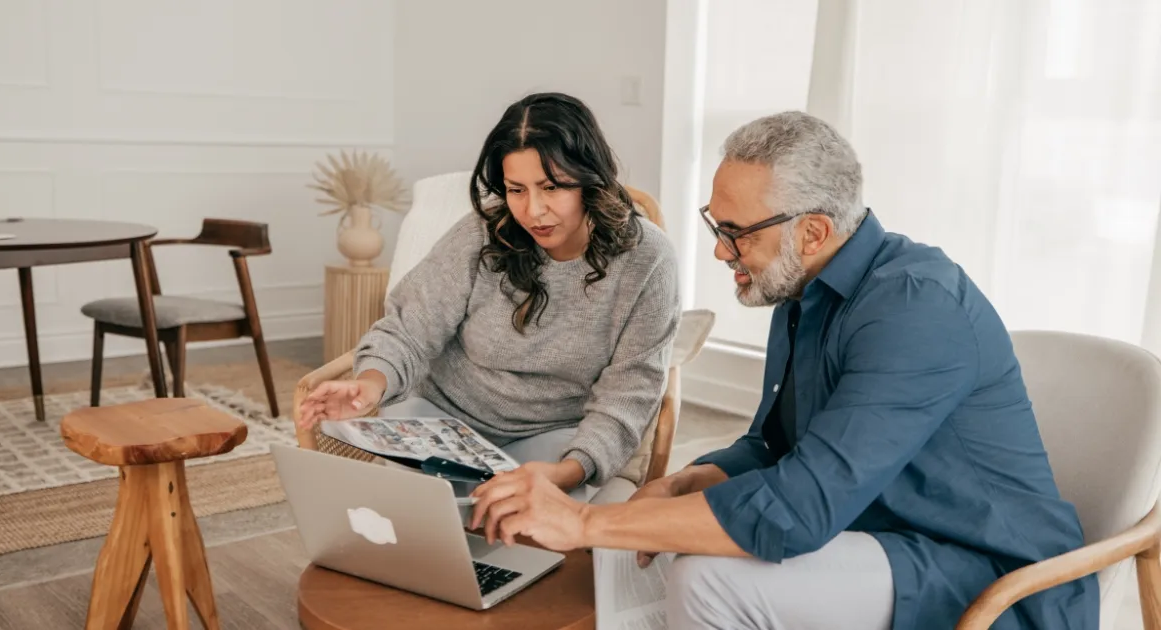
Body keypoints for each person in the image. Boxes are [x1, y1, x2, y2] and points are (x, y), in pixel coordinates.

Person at [467, 111, 1099, 629]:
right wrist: (693, 480)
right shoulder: (804, 287)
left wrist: (583, 522)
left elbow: (801, 507)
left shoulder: (916, 308)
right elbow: (776, 444)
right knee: (641, 546)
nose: (720, 250)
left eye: (736, 232)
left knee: (707, 577)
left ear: (815, 231)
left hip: (980, 573)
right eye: (716, 225)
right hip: (877, 532)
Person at [297, 92, 681, 496]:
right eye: (516, 190)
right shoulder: (482, 233)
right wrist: (370, 385)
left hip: (553, 435)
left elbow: (629, 393)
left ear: (589, 178)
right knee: (393, 522)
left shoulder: (648, 259)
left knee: (522, 534)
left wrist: (567, 473)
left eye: (551, 187)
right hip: (441, 420)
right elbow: (409, 328)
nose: (533, 211)